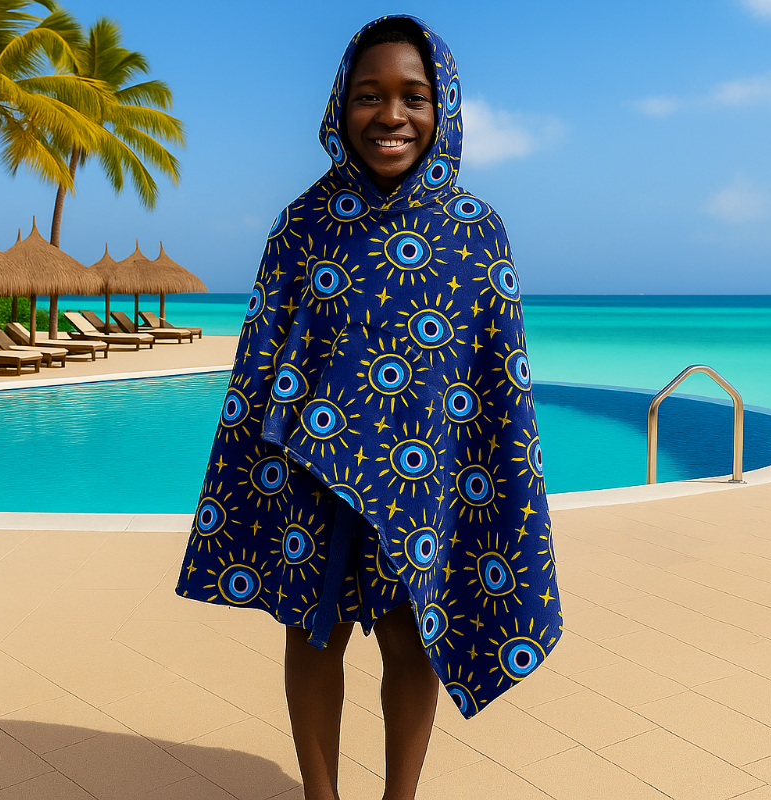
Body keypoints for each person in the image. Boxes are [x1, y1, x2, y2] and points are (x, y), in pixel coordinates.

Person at [176, 15, 562, 800]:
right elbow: (260, 361)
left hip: (421, 478)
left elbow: (497, 388)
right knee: (310, 636)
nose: (391, 116)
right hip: (311, 479)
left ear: (443, 107)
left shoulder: (477, 232)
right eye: (369, 96)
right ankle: (321, 795)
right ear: (339, 107)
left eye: (413, 97)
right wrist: (256, 472)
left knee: (411, 638)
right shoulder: (301, 225)